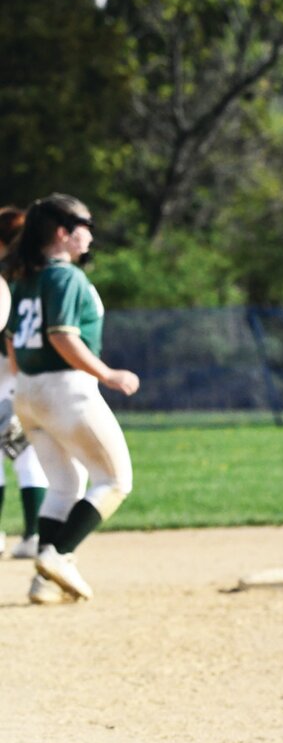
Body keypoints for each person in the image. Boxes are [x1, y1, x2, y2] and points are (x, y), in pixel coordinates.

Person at [4, 194, 138, 604]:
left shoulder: (24, 277)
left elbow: (11, 342)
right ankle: (58, 554)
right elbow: (62, 335)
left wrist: (22, 385)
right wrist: (107, 372)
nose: (90, 234)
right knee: (115, 480)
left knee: (64, 483)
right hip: (66, 389)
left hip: (28, 390)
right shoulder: (64, 276)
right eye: (85, 225)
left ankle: (44, 580)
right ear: (63, 233)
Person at [0, 206, 47, 558]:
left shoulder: (8, 275)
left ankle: (30, 535)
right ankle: (33, 535)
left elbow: (10, 335)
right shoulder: (39, 273)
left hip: (10, 373)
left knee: (21, 454)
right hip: (28, 374)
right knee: (27, 454)